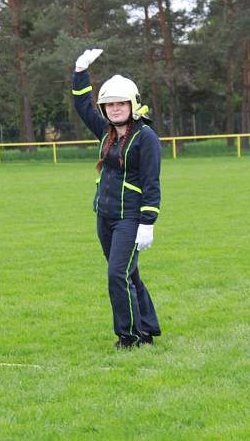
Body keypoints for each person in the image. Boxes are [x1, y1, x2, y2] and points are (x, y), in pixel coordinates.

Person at [72, 48, 162, 349]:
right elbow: (82, 104)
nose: (115, 109)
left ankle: (129, 336)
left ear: (132, 104)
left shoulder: (145, 137)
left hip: (130, 219)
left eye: (121, 103)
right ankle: (147, 328)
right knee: (128, 273)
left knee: (117, 275)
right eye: (109, 104)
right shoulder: (105, 131)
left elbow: (152, 182)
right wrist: (81, 70)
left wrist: (147, 222)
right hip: (105, 216)